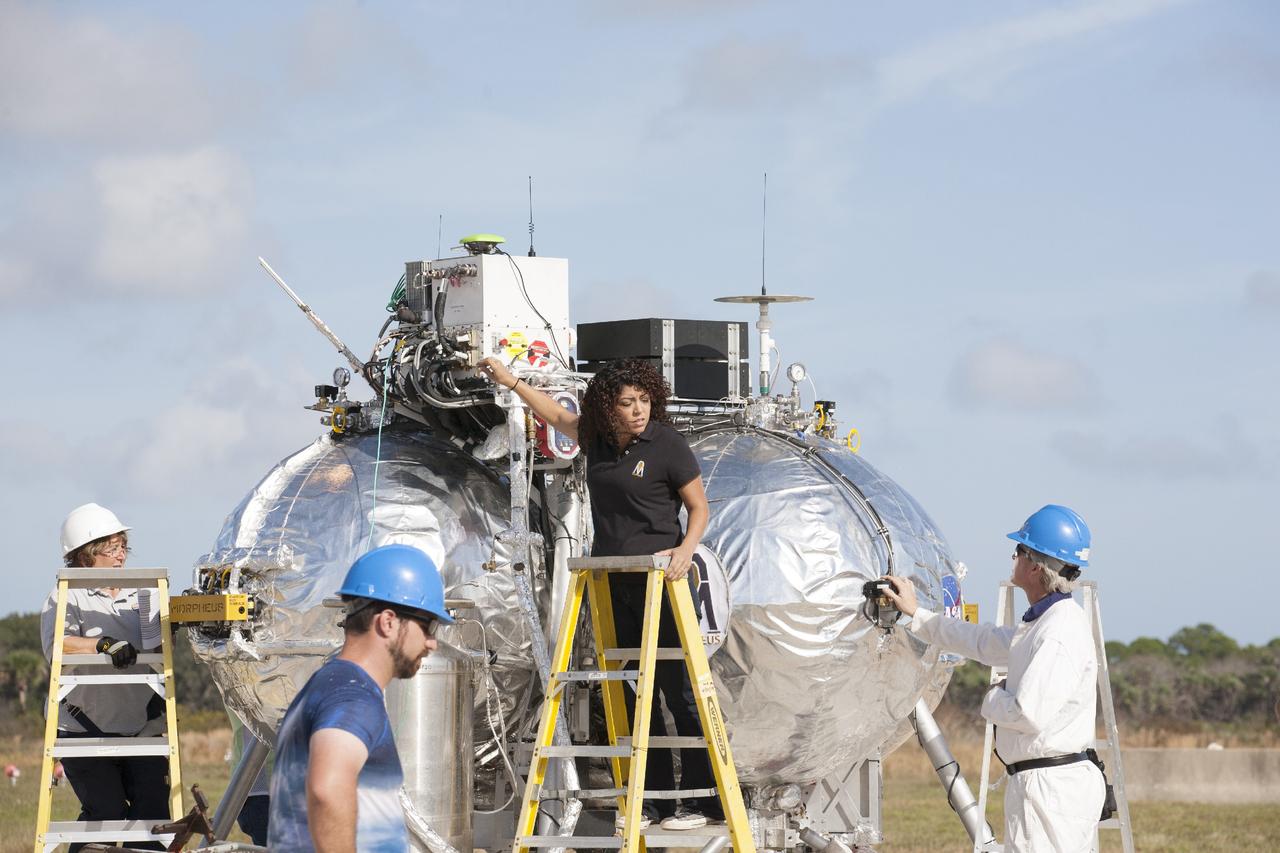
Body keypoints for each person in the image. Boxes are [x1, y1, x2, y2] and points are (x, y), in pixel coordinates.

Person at [478, 355, 718, 831]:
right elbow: (557, 416)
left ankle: (701, 800)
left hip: (661, 582)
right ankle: (652, 802)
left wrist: (685, 551)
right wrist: (511, 382)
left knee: (678, 692)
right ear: (609, 408)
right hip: (612, 580)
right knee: (630, 693)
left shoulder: (667, 444)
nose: (638, 411)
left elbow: (699, 509)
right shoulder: (598, 440)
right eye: (627, 403)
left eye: (644, 401)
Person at [881, 504, 1105, 853]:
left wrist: (992, 697)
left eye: (1019, 550)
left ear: (1035, 566)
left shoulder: (1058, 631)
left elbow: (1028, 712)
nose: (1013, 556)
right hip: (1043, 783)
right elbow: (982, 641)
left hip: (1052, 788)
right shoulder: (1042, 624)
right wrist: (917, 615)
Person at [268, 543, 451, 853]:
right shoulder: (353, 696)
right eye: (428, 626)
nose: (432, 643)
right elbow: (327, 789)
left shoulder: (330, 684)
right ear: (388, 622)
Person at [40, 503, 169, 853]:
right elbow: (58, 646)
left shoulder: (143, 593)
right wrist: (102, 643)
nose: (120, 556)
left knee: (154, 816)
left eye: (122, 546)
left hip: (141, 727)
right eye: (110, 549)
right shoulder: (67, 595)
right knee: (105, 811)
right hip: (85, 729)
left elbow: (160, 645)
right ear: (85, 556)